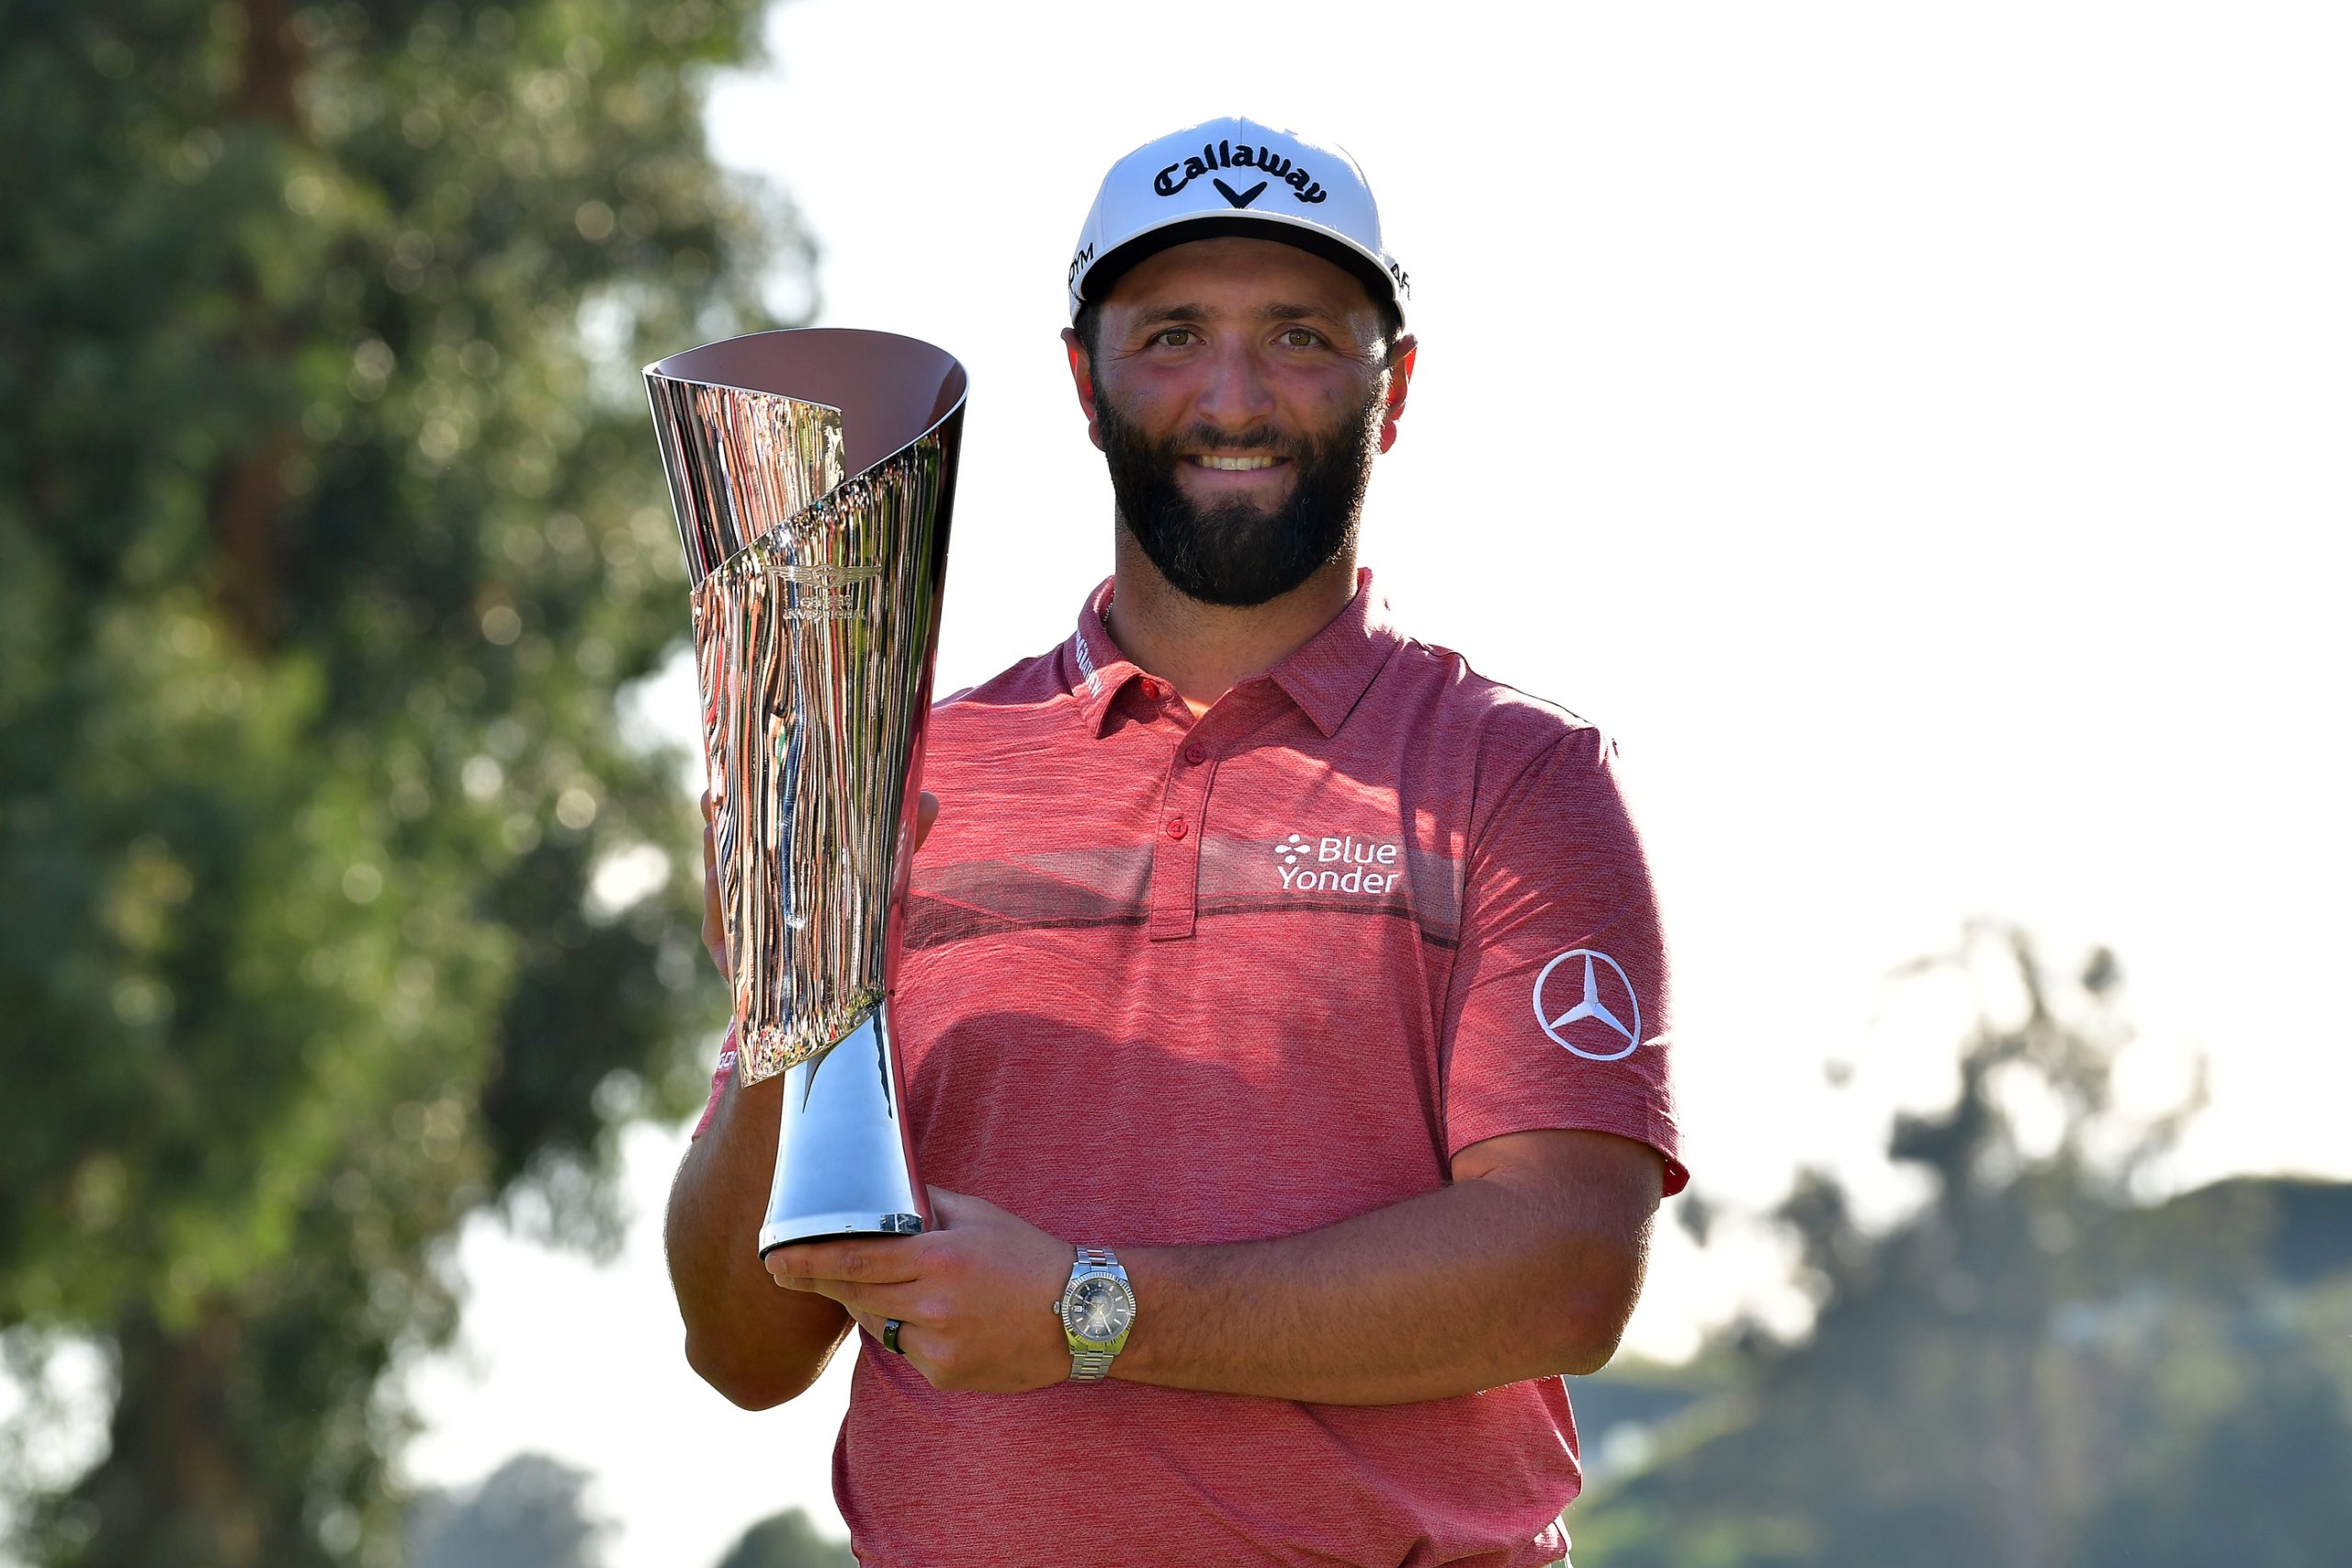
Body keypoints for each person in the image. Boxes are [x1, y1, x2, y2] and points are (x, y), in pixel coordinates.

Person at [663, 117, 1685, 1567]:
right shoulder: (905, 779)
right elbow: (741, 1349)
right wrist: (794, 999)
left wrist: (1092, 1309)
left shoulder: (1516, 780)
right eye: (1173, 336)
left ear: (1393, 391)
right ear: (1084, 381)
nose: (1234, 394)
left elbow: (1566, 1271)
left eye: (1300, 338)